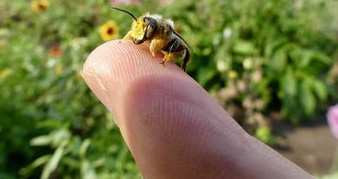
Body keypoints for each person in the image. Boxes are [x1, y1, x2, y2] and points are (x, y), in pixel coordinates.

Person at [81, 41, 312, 179]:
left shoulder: (162, 35)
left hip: (173, 50)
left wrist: (174, 64)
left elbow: (171, 43)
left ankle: (178, 69)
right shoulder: (145, 31)